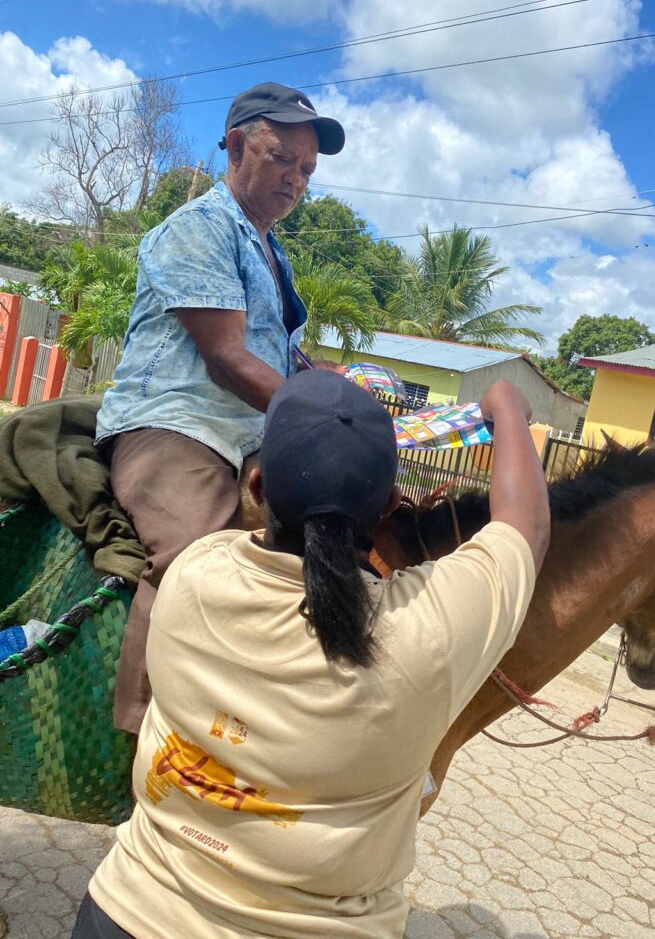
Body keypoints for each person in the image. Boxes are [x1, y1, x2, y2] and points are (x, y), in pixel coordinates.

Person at [72, 370, 550, 939]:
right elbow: (526, 527)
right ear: (392, 507)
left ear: (253, 488)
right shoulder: (428, 633)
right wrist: (509, 409)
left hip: (120, 913)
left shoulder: (193, 573)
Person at [95, 82, 346, 734]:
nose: (295, 178)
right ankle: (148, 733)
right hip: (177, 425)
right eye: (282, 158)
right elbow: (228, 359)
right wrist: (323, 416)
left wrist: (340, 393)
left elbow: (281, 361)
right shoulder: (198, 228)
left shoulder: (272, 253)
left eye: (306, 170)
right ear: (236, 145)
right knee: (196, 554)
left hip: (249, 437)